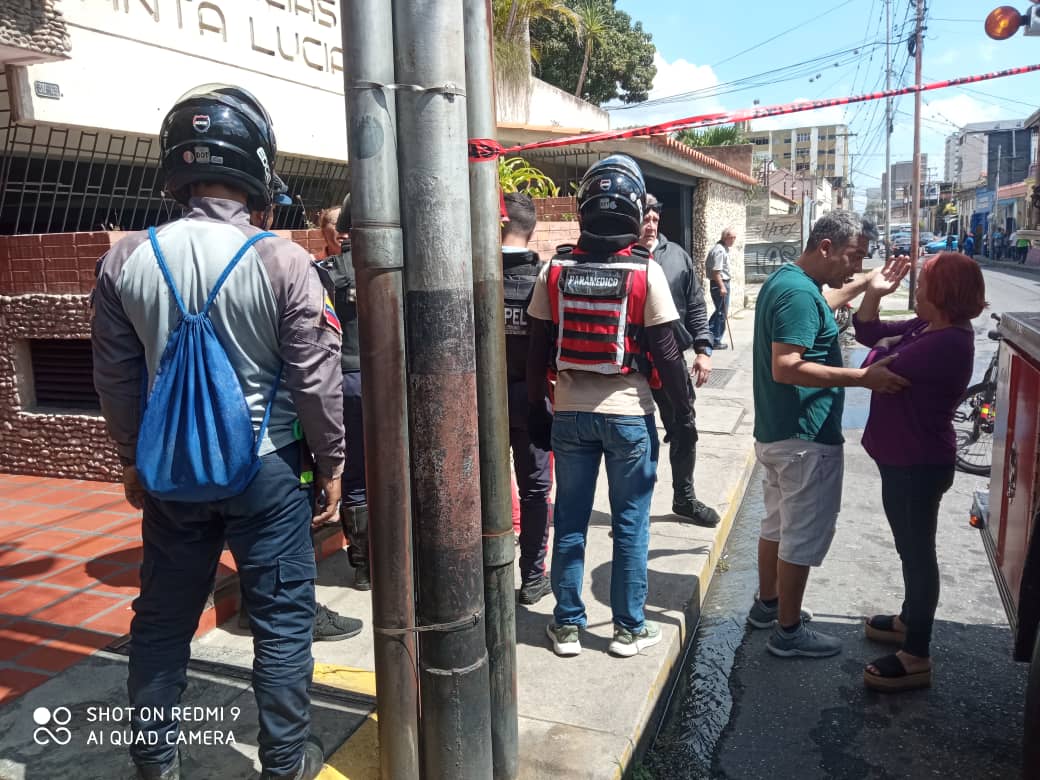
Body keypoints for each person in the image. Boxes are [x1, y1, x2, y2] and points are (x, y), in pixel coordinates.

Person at [92, 85, 336, 780]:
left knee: (162, 624)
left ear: (178, 164)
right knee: (283, 623)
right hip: (270, 469)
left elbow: (116, 381)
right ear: (254, 167)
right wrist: (332, 464)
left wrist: (132, 463)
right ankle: (284, 764)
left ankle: (154, 763)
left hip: (172, 472)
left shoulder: (123, 259)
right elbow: (313, 384)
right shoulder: (284, 261)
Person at [526, 154, 694, 659]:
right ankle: (628, 628)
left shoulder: (555, 268)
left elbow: (537, 349)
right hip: (628, 415)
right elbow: (667, 353)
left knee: (571, 521)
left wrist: (539, 406)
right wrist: (681, 417)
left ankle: (568, 625)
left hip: (570, 415)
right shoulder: (644, 271)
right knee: (630, 523)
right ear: (633, 208)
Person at [749, 210, 910, 659]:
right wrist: (862, 379)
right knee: (799, 534)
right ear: (826, 248)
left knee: (777, 526)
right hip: (804, 436)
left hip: (779, 432)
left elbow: (828, 302)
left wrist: (869, 285)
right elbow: (787, 367)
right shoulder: (799, 295)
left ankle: (768, 606)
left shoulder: (791, 282)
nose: (856, 266)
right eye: (854, 256)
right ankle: (788, 631)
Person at [855, 252, 985, 692]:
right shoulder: (927, 328)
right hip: (905, 459)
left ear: (943, 293)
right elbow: (869, 333)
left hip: (916, 463)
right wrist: (873, 296)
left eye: (923, 283)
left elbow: (869, 369)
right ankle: (909, 619)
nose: (915, 290)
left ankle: (916, 654)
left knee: (916, 553)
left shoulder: (946, 343)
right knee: (909, 545)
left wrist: (883, 351)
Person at [639, 193, 720, 527]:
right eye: (644, 218)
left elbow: (697, 306)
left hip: (671, 361)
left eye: (655, 219)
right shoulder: (621, 258)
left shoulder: (678, 258)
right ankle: (633, 510)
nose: (650, 224)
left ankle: (684, 498)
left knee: (685, 428)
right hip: (632, 365)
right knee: (636, 437)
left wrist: (703, 349)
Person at [501, 192, 553, 605]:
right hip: (533, 398)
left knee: (480, 486)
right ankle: (533, 576)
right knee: (535, 490)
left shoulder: (467, 273)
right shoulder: (545, 279)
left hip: (479, 400)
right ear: (531, 231)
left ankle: (486, 568)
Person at [316, 196, 371, 590]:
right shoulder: (388, 267)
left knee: (353, 475)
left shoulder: (323, 272)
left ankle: (363, 564)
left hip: (341, 380)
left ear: (337, 235)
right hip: (386, 380)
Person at [705, 227, 736, 349]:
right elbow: (716, 271)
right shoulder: (719, 251)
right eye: (732, 237)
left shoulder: (723, 249)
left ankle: (708, 336)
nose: (734, 240)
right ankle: (715, 339)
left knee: (720, 312)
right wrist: (722, 287)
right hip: (720, 284)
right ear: (725, 237)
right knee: (721, 313)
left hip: (721, 283)